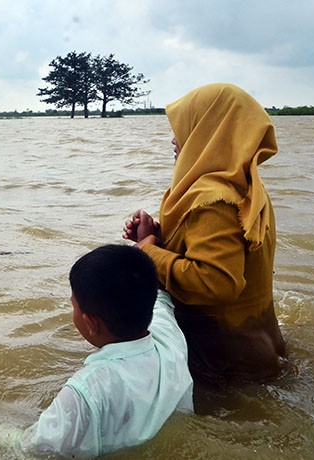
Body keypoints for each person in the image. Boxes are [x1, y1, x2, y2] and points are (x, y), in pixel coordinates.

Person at [0, 244, 193, 457]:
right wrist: (148, 241)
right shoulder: (169, 335)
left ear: (90, 323)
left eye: (73, 305)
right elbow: (160, 298)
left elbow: (31, 449)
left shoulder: (87, 389)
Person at [122, 83, 286, 386]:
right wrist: (162, 238)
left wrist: (147, 250)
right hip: (259, 348)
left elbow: (216, 283)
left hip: (224, 363)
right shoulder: (245, 186)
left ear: (208, 131)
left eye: (184, 128)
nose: (174, 140)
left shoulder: (212, 201)